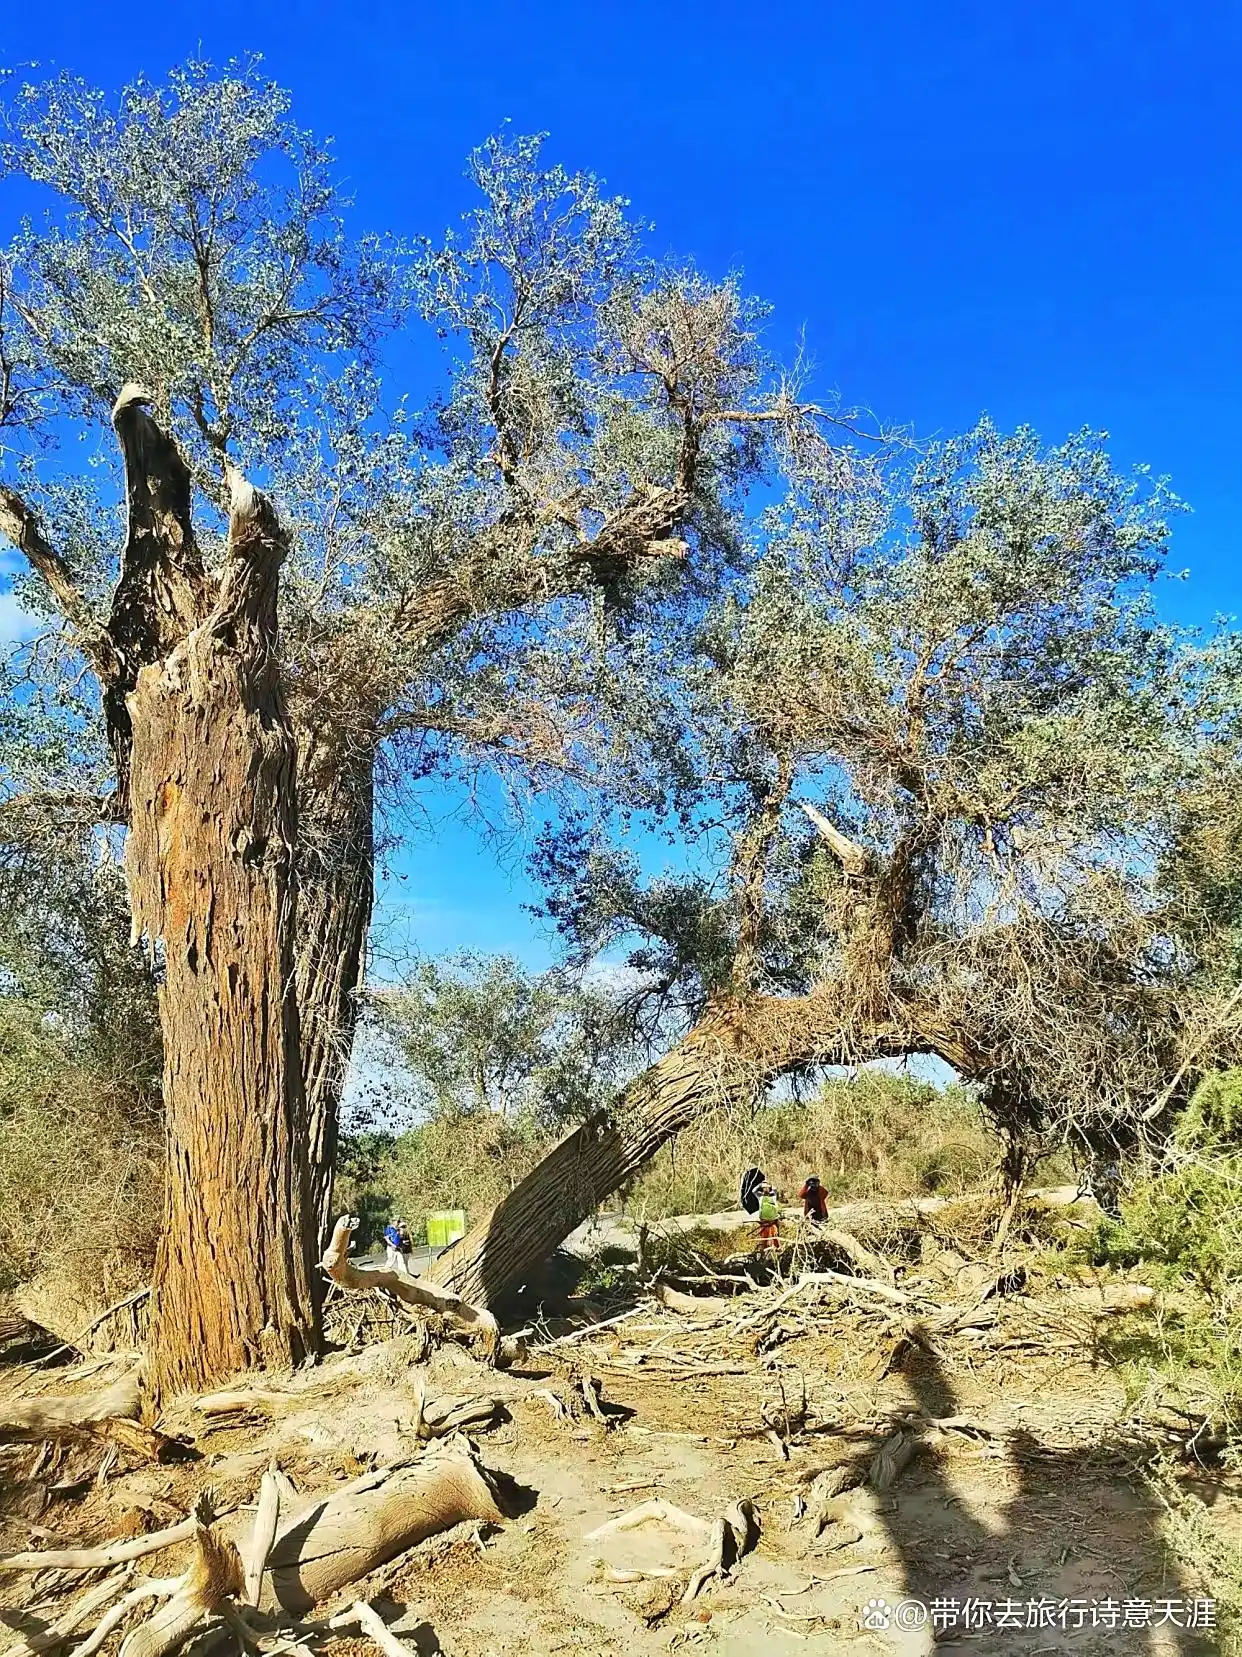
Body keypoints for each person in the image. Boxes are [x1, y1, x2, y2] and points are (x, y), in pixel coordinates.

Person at [756, 1184, 782, 1252]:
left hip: (773, 1220)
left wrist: (770, 1184)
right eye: (764, 1188)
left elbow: (775, 1189)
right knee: (764, 1237)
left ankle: (778, 1250)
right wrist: (760, 1185)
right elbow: (754, 1191)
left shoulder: (773, 1196)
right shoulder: (760, 1196)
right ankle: (762, 1251)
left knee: (775, 1236)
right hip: (764, 1221)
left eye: (767, 1188)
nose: (766, 1189)